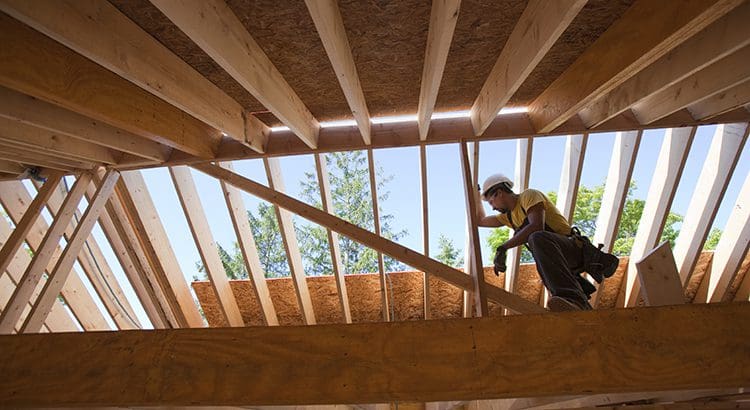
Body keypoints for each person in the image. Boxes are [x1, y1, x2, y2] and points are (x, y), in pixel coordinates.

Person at [476, 173, 619, 312]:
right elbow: (479, 221)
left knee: (537, 238)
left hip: (573, 249)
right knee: (540, 257)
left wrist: (503, 247)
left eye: (491, 202)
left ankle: (573, 299)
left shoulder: (528, 196)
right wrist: (475, 193)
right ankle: (576, 304)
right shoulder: (509, 217)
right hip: (560, 259)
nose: (493, 207)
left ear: (499, 192)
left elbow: (536, 226)